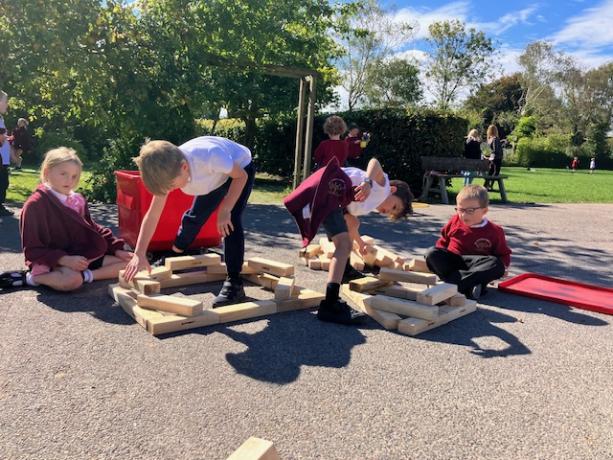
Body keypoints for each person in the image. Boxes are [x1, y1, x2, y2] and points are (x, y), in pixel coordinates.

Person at [123, 136, 255, 307]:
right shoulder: (168, 168)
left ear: (184, 167)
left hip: (239, 170)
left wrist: (225, 209)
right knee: (194, 217)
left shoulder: (210, 156)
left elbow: (241, 176)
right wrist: (139, 252)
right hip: (215, 176)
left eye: (171, 186)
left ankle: (234, 284)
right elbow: (153, 214)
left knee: (230, 222)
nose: (169, 190)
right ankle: (176, 252)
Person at [284, 157, 413, 325]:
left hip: (330, 192)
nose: (388, 211)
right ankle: (330, 304)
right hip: (328, 187)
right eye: (394, 207)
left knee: (351, 227)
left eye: (391, 213)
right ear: (392, 190)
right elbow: (374, 162)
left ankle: (343, 275)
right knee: (343, 245)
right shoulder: (383, 187)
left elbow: (350, 222)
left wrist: (360, 243)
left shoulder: (368, 202)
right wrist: (368, 182)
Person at [0, 147, 133, 292]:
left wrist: (116, 248)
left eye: (74, 176)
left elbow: (93, 228)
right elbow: (32, 249)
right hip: (52, 260)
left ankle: (87, 276)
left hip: (80, 255)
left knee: (130, 264)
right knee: (71, 280)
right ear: (47, 172)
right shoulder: (35, 205)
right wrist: (64, 260)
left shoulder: (76, 200)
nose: (69, 181)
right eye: (63, 174)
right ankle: (32, 278)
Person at [425, 184, 511, 300]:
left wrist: (503, 266)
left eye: (470, 211)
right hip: (455, 262)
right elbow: (443, 242)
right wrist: (438, 258)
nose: (463, 215)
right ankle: (466, 287)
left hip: (476, 267)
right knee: (431, 253)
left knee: (496, 264)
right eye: (460, 210)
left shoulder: (495, 231)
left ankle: (451, 285)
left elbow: (503, 254)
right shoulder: (455, 221)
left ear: (484, 211)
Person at [0, 91, 12, 216]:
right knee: (2, 182)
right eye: (5, 101)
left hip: (3, 158)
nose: (7, 104)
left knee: (4, 182)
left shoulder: (1, 118)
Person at [484, 125, 503, 191]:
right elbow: (495, 149)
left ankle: (486, 185)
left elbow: (487, 150)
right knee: (496, 172)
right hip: (497, 158)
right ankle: (490, 186)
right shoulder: (495, 139)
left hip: (491, 158)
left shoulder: (489, 139)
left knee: (491, 172)